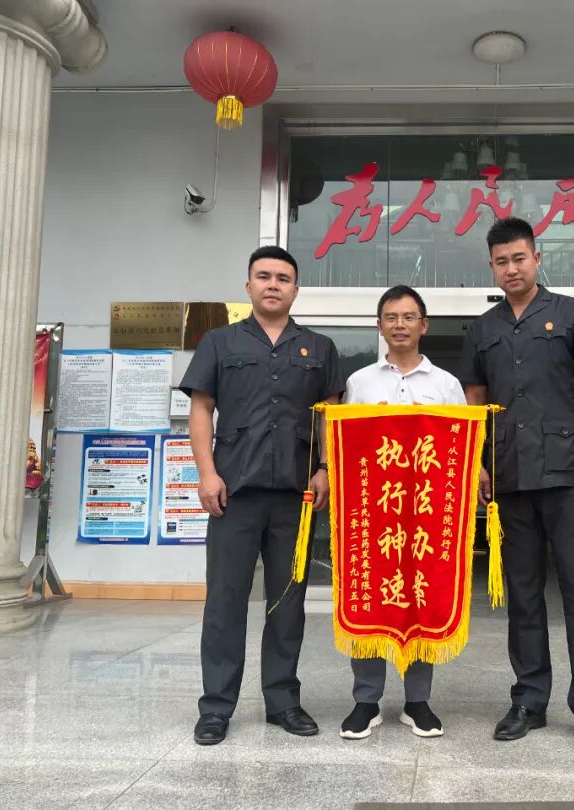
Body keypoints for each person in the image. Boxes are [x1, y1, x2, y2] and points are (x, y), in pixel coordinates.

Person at [180, 245, 345, 746]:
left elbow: (328, 415)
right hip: (233, 493)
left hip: (295, 497)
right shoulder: (219, 342)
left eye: (283, 278)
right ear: (248, 286)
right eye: (264, 276)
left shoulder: (318, 347)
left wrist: (324, 468)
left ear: (296, 290)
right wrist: (206, 474)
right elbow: (201, 410)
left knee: (288, 603)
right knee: (225, 601)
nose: (273, 285)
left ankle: (283, 702)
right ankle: (216, 707)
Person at [459, 217, 574, 752]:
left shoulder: (572, 313)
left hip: (571, 475)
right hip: (510, 478)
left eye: (519, 258)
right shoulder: (483, 329)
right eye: (501, 261)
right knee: (523, 595)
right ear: (491, 266)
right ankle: (528, 700)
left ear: (537, 258)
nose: (511, 268)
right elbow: (474, 401)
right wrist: (476, 462)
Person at [339, 285, 466, 740]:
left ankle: (418, 701)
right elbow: (344, 446)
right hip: (372, 512)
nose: (400, 325)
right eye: (391, 317)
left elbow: (461, 448)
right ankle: (365, 701)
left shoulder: (446, 384)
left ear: (423, 325)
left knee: (420, 598)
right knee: (368, 597)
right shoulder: (360, 382)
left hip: (425, 514)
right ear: (379, 326)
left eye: (409, 317)